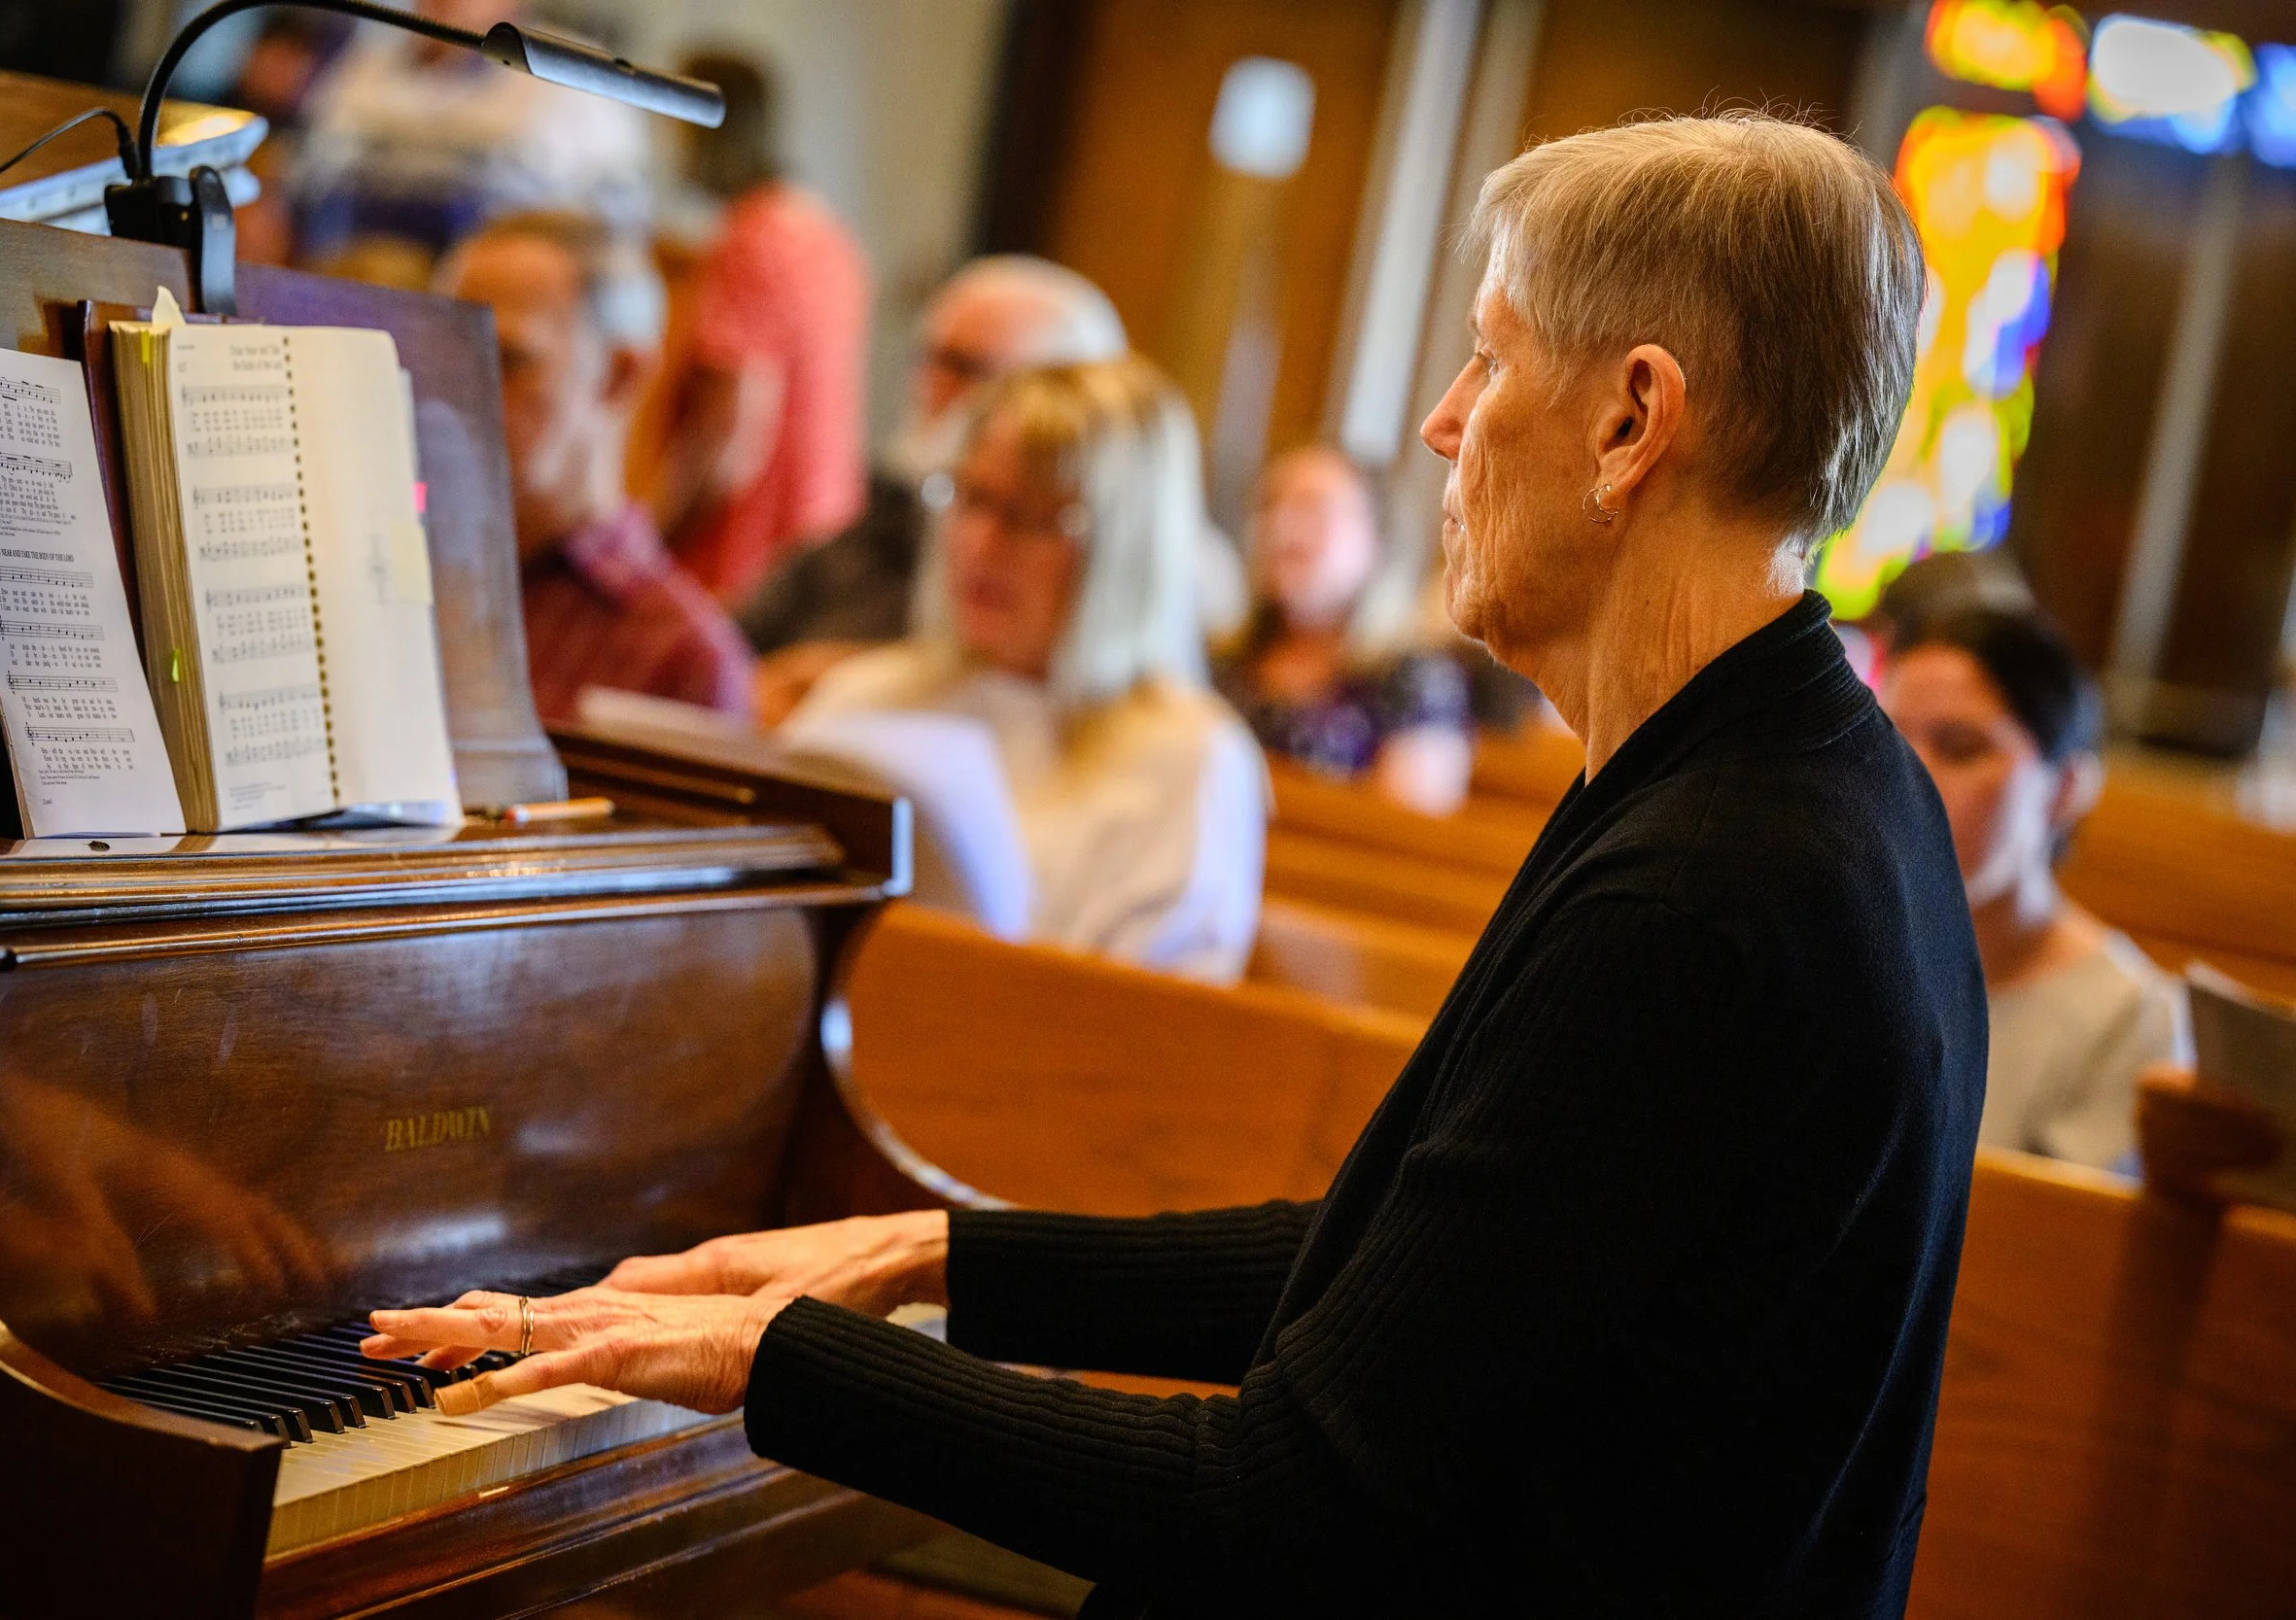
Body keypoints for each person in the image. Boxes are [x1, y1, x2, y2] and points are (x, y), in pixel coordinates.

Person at [367, 114, 1982, 1616]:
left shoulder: (1711, 892)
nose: (1439, 421)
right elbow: (1416, 1275)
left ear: (1632, 422)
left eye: (1487, 358)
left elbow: (1288, 1498)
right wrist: (923, 1253)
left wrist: (769, 1359)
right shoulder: (1785, 782)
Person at [782, 357, 1265, 982]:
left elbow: (1149, 1034)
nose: (982, 545)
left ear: (1125, 545)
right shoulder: (863, 696)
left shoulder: (1194, 759)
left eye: (1034, 518)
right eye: (973, 498)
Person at [737, 255, 1130, 702]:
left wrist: (851, 681)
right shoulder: (887, 506)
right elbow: (736, 647)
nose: (941, 388)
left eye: (974, 370)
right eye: (936, 360)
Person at [1881, 603, 2187, 1171]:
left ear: (2066, 788)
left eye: (1960, 747)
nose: (1907, 779)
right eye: (1887, 741)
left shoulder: (2127, 1019)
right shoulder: (1847, 959)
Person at [435, 212, 752, 723]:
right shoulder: (396, 579)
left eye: (508, 360)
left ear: (619, 375)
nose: (452, 392)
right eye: (444, 355)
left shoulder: (681, 658)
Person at [640, 53, 870, 606]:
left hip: (747, 554)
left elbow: (730, 437)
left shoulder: (751, 242)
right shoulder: (827, 233)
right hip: (821, 533)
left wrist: (645, 538)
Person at [284, 0, 651, 270]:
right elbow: (307, 174)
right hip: (346, 275)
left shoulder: (571, 74)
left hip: (495, 297)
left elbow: (615, 231)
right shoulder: (365, 64)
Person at [1214, 444, 1473, 813]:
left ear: (1378, 541)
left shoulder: (1415, 683)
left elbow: (1406, 840)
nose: (1282, 528)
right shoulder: (1218, 661)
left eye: (1312, 509)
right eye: (1269, 507)